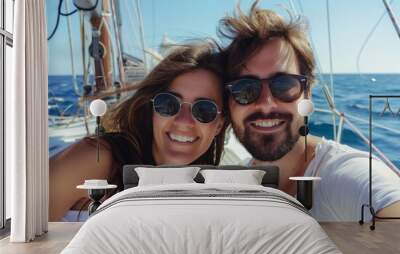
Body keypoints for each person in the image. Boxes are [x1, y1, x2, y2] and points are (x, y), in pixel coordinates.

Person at [219, 1, 400, 221]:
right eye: (245, 89)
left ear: (308, 92)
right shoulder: (235, 187)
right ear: (228, 102)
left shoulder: (346, 177)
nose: (266, 104)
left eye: (284, 85)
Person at [49, 42, 229, 221]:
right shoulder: (99, 158)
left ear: (219, 125)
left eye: (205, 110)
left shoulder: (210, 193)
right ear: (151, 109)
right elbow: (23, 230)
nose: (183, 121)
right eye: (168, 104)